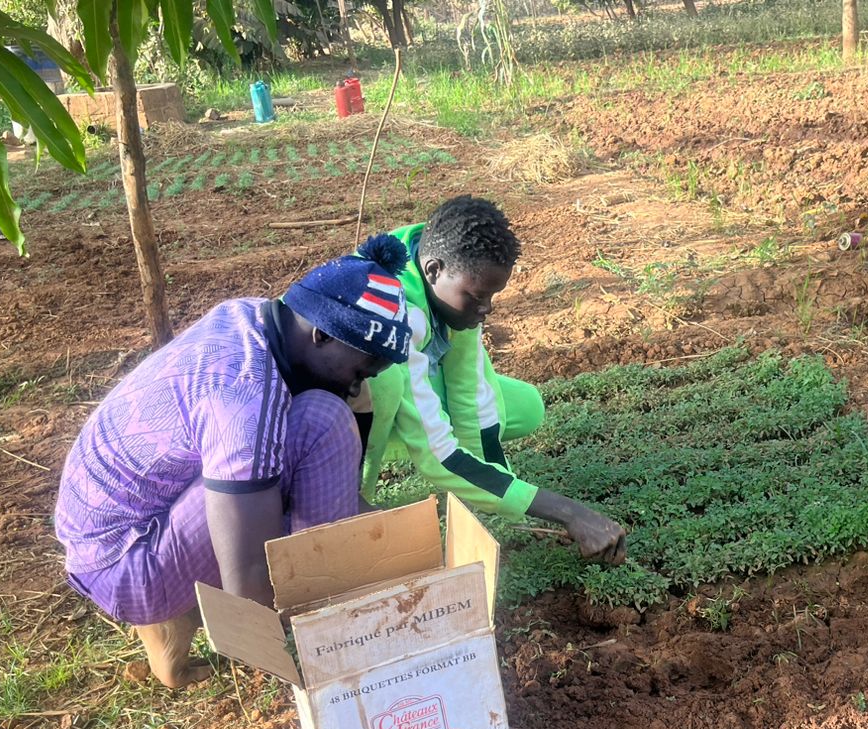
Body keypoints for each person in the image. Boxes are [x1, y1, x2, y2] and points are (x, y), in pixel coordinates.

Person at [55, 235, 413, 686]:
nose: (359, 388)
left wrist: (399, 537)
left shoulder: (249, 320)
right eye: (359, 372)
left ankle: (173, 619)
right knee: (322, 421)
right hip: (127, 563)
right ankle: (191, 606)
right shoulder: (245, 401)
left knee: (294, 449)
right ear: (322, 333)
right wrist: (329, 651)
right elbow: (247, 584)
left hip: (109, 540)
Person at [357, 195, 627, 564]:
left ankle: (479, 490)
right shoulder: (393, 307)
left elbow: (471, 398)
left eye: (492, 297)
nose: (487, 310)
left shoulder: (452, 280)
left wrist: (504, 494)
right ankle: (352, 506)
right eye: (478, 297)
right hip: (344, 408)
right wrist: (568, 512)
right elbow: (438, 453)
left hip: (414, 378)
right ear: (434, 270)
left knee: (524, 406)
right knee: (384, 387)